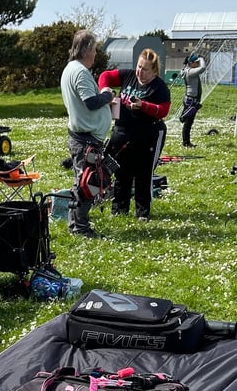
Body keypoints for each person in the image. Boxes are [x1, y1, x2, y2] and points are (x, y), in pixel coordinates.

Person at [99, 48, 170, 222]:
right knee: (122, 172)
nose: (140, 72)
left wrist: (143, 105)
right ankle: (119, 210)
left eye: (145, 69)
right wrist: (105, 90)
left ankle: (142, 213)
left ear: (154, 71)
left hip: (148, 134)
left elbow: (163, 110)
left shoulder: (159, 87)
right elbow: (105, 76)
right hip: (123, 131)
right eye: (139, 67)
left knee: (143, 174)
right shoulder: (128, 75)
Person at [60, 29, 116, 238]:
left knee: (82, 180)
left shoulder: (70, 69)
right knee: (87, 183)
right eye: (94, 50)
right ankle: (80, 227)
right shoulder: (80, 72)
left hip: (82, 135)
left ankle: (76, 224)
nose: (95, 55)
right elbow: (91, 102)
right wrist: (107, 95)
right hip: (86, 138)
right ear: (87, 50)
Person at [179, 53, 205, 148]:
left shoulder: (188, 70)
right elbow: (203, 68)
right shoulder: (190, 72)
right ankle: (186, 142)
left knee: (188, 122)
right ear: (191, 63)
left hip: (191, 100)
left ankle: (186, 141)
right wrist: (201, 58)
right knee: (188, 123)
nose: (198, 64)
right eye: (196, 62)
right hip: (191, 101)